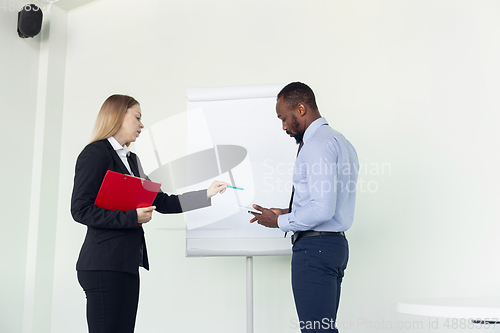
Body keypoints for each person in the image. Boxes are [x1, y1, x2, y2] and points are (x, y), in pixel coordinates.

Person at [71, 94, 228, 333]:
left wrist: (206, 194)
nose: (142, 125)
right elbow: (80, 209)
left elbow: (161, 201)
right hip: (102, 264)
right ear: (118, 116)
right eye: (137, 117)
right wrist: (131, 217)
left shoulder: (132, 160)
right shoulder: (95, 154)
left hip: (126, 264)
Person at [250, 82, 359, 332]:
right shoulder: (340, 141)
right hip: (332, 246)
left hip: (315, 250)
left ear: (300, 109)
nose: (284, 126)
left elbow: (322, 210)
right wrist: (287, 212)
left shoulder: (317, 145)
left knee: (316, 330)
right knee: (322, 329)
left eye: (284, 118)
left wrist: (278, 222)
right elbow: (329, 202)